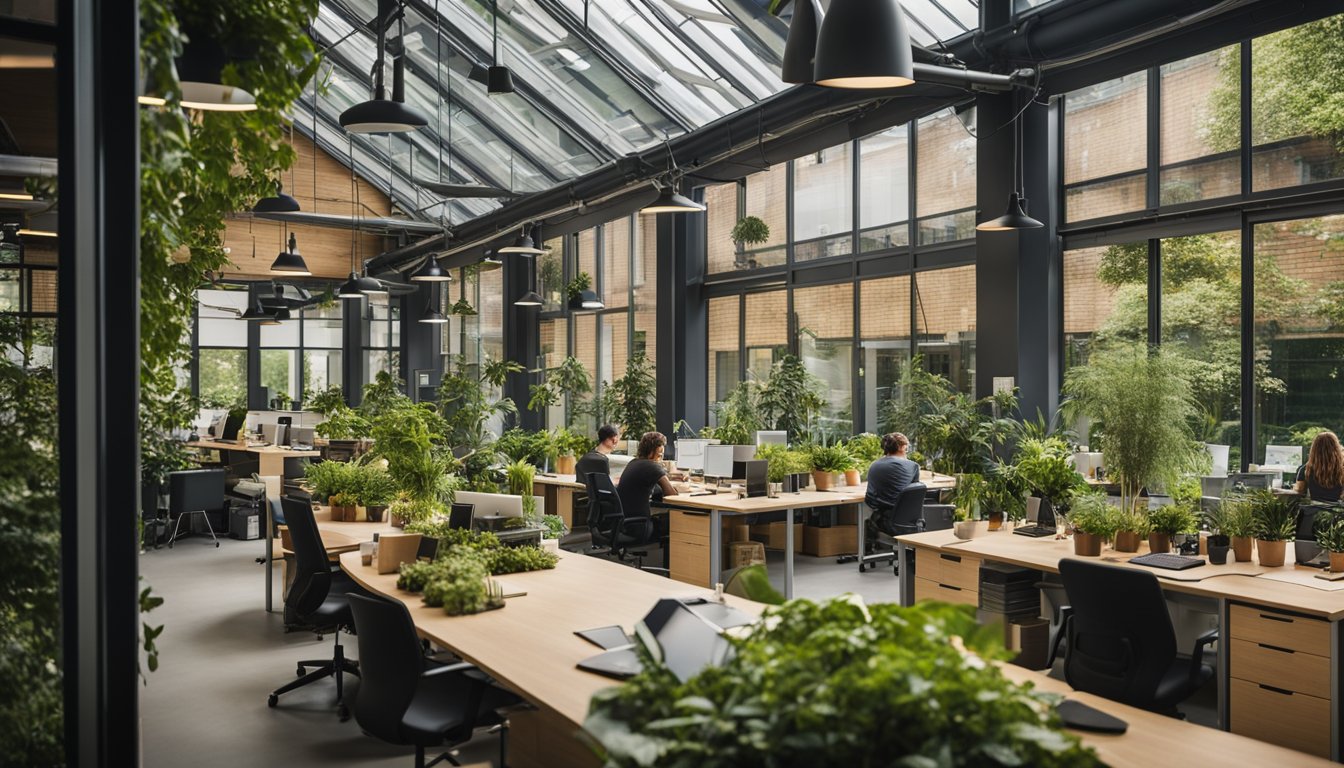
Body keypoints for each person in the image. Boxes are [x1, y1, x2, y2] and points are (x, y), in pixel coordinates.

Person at [616, 431, 679, 520]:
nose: (661, 458)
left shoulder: (633, 462)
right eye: (660, 455)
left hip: (626, 521)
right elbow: (672, 495)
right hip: (641, 525)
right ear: (653, 451)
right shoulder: (652, 466)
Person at [864, 432, 921, 513]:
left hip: (878, 512)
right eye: (906, 448)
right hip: (902, 512)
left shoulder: (874, 465)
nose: (906, 451)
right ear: (901, 447)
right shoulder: (913, 466)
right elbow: (915, 490)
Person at [1294, 431, 1344, 503]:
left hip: (1314, 511)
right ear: (1336, 448)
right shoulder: (1342, 468)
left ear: (1314, 449)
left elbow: (1299, 491)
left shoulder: (1306, 469)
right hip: (1337, 511)